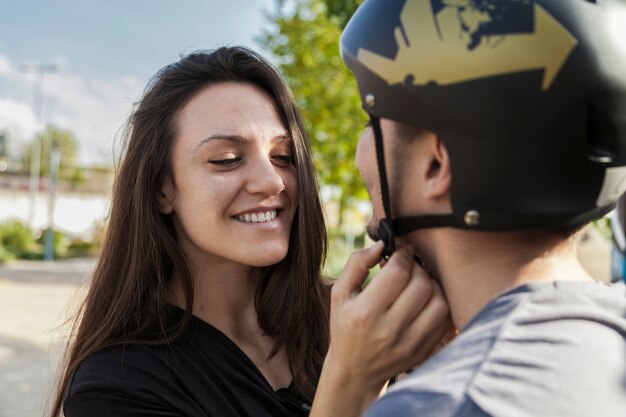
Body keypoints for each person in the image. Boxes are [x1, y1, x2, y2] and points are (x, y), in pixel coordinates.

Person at [49, 46, 452, 417]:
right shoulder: (116, 384)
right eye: (226, 159)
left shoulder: (351, 319)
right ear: (161, 189)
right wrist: (352, 378)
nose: (272, 182)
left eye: (283, 156)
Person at [338, 0, 626, 416]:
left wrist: (348, 381)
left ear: (436, 163)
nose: (358, 151)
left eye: (371, 121)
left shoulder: (445, 403)